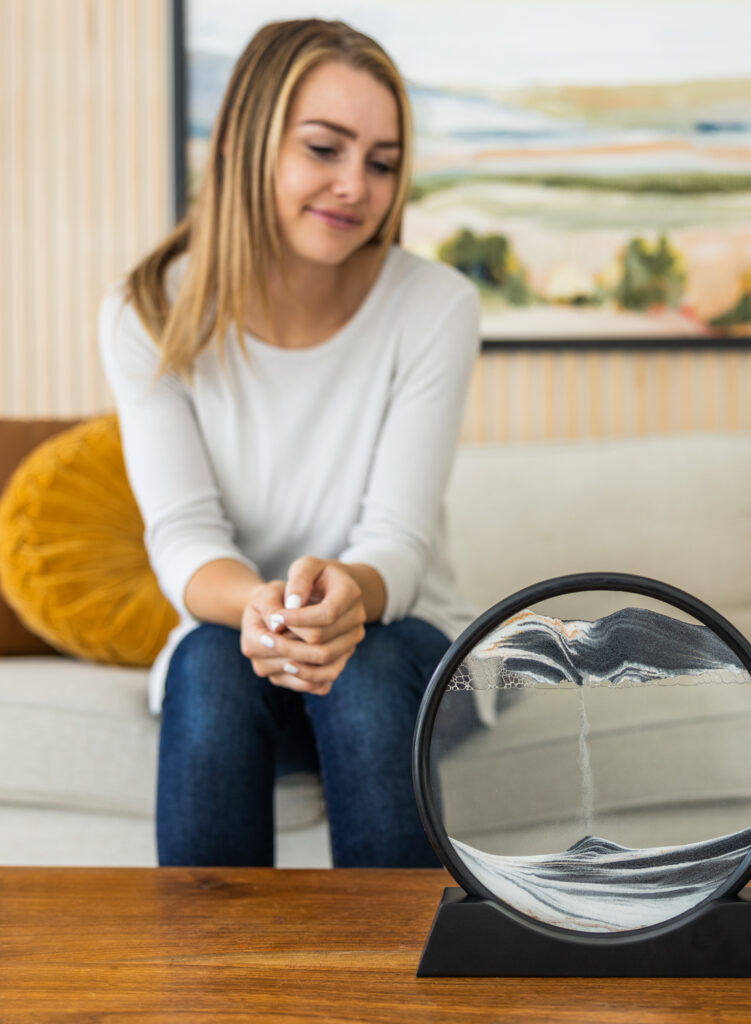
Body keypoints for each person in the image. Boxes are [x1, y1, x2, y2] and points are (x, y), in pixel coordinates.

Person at [98, 19, 481, 868]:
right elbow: (184, 537)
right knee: (207, 660)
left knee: (368, 667)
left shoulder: (436, 305)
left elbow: (399, 542)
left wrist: (344, 594)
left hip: (401, 638)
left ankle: (400, 995)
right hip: (235, 650)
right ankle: (213, 994)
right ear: (247, 142)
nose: (355, 186)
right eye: (324, 149)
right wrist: (269, 612)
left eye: (382, 163)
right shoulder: (147, 312)